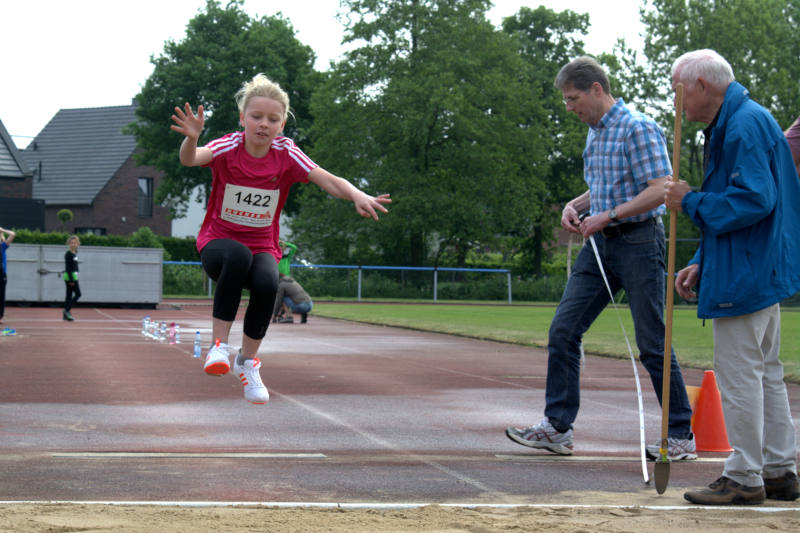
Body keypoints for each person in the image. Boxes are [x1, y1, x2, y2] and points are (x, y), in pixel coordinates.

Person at [505, 56, 695, 459]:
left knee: (652, 342)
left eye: (573, 98)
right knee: (563, 329)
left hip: (639, 242)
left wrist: (608, 215)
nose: (569, 107)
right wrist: (575, 205)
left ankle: (680, 434)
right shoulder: (595, 132)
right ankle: (557, 427)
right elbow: (605, 186)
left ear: (596, 89)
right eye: (566, 101)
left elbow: (661, 188)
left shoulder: (637, 127)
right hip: (599, 246)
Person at [170, 73, 390, 405]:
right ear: (242, 118)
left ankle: (248, 363)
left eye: (273, 119)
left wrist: (358, 194)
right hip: (219, 244)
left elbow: (327, 179)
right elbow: (191, 158)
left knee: (268, 280)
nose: (263, 124)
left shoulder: (286, 152)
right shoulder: (230, 145)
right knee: (239, 256)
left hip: (262, 246)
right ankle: (219, 348)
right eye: (256, 116)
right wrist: (191, 138)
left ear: (282, 123)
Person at [665, 49, 800, 506]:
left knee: (741, 375)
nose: (678, 102)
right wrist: (705, 258)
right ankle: (780, 469)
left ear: (702, 86)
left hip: (748, 269)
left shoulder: (740, 125)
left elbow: (753, 200)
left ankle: (744, 475)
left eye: (678, 91)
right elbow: (744, 200)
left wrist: (691, 202)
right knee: (766, 374)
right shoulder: (743, 120)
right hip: (755, 263)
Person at [63, 235, 81, 321]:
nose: (73, 244)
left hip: (74, 275)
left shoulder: (75, 253)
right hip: (70, 276)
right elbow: (68, 268)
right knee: (78, 294)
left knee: (69, 296)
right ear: (69, 244)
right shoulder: (68, 254)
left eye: (75, 243)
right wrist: (71, 280)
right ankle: (66, 310)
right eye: (71, 243)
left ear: (78, 244)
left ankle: (66, 314)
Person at [0, 227, 16, 324]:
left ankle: (0, 316)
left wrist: (2, 230)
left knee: (1, 295)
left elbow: (13, 234)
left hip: (2, 274)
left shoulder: (3, 246)